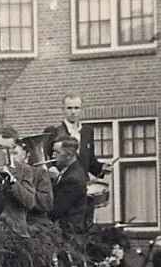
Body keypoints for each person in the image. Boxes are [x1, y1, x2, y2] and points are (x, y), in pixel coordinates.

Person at [42, 94, 113, 224]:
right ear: (63, 109)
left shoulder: (87, 131)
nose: (73, 112)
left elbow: (90, 160)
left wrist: (101, 168)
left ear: (81, 109)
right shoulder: (54, 132)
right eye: (69, 108)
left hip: (84, 186)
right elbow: (47, 157)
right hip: (65, 186)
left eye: (76, 108)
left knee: (86, 225)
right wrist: (52, 170)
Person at [0, 127, 54, 237]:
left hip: (15, 233)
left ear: (12, 148)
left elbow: (30, 202)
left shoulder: (24, 170)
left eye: (5, 148)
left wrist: (12, 180)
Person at [10, 134, 54, 224]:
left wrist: (24, 193)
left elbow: (47, 202)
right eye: (9, 154)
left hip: (35, 224)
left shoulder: (39, 173)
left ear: (26, 154)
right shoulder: (3, 173)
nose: (11, 158)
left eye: (15, 153)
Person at [48, 135, 87, 233]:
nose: (53, 156)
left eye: (57, 152)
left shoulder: (72, 179)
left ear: (69, 155)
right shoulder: (71, 171)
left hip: (68, 231)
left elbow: (56, 210)